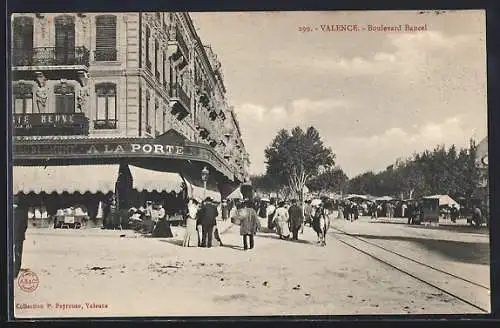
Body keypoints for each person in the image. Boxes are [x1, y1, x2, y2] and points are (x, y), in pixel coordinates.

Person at [13, 196, 28, 279]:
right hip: (19, 236)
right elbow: (25, 225)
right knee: (18, 254)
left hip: (11, 235)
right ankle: (15, 273)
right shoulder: (23, 211)